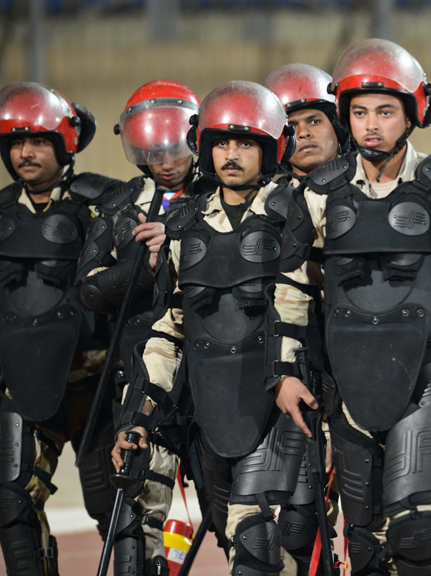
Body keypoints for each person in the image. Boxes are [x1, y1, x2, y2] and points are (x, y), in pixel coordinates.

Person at [268, 39, 431, 576]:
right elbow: (289, 287)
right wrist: (286, 373)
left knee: (413, 531)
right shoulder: (319, 193)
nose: (371, 126)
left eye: (385, 112)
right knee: (364, 545)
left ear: (412, 114)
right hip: (351, 384)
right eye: (359, 112)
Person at [133, 81, 307, 576]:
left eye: (246, 143)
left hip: (282, 406)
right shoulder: (184, 228)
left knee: (255, 541)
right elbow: (172, 329)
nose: (231, 155)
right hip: (213, 408)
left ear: (273, 149)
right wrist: (142, 412)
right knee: (236, 541)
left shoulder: (299, 213)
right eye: (221, 143)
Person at [0, 82, 122, 575]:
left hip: (97, 384)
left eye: (38, 141)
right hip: (28, 383)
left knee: (116, 510)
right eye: (16, 142)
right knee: (15, 510)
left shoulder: (103, 201)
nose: (25, 152)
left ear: (64, 144)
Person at [80, 79, 202, 576]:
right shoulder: (120, 205)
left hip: (215, 366)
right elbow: (87, 289)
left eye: (174, 148)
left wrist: (177, 239)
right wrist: (144, 263)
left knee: (245, 512)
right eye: (152, 151)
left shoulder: (225, 194)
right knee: (133, 512)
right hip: (142, 374)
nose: (165, 161)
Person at [262, 62, 347, 575]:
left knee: (383, 525)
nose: (303, 134)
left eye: (314, 120)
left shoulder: (372, 192)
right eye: (290, 126)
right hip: (288, 378)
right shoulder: (256, 204)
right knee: (297, 523)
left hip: (362, 374)